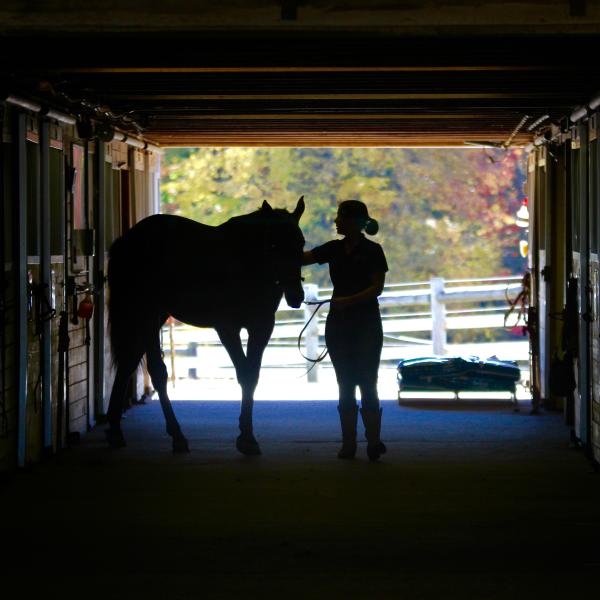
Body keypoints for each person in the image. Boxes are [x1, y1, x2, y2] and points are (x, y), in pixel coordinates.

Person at [303, 200, 388, 461]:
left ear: (353, 221)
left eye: (340, 217)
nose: (336, 221)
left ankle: (369, 441)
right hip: (343, 323)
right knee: (346, 382)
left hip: (363, 322)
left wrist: (347, 301)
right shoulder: (334, 249)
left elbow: (377, 288)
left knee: (366, 382)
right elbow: (302, 259)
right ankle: (353, 442)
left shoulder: (373, 251)